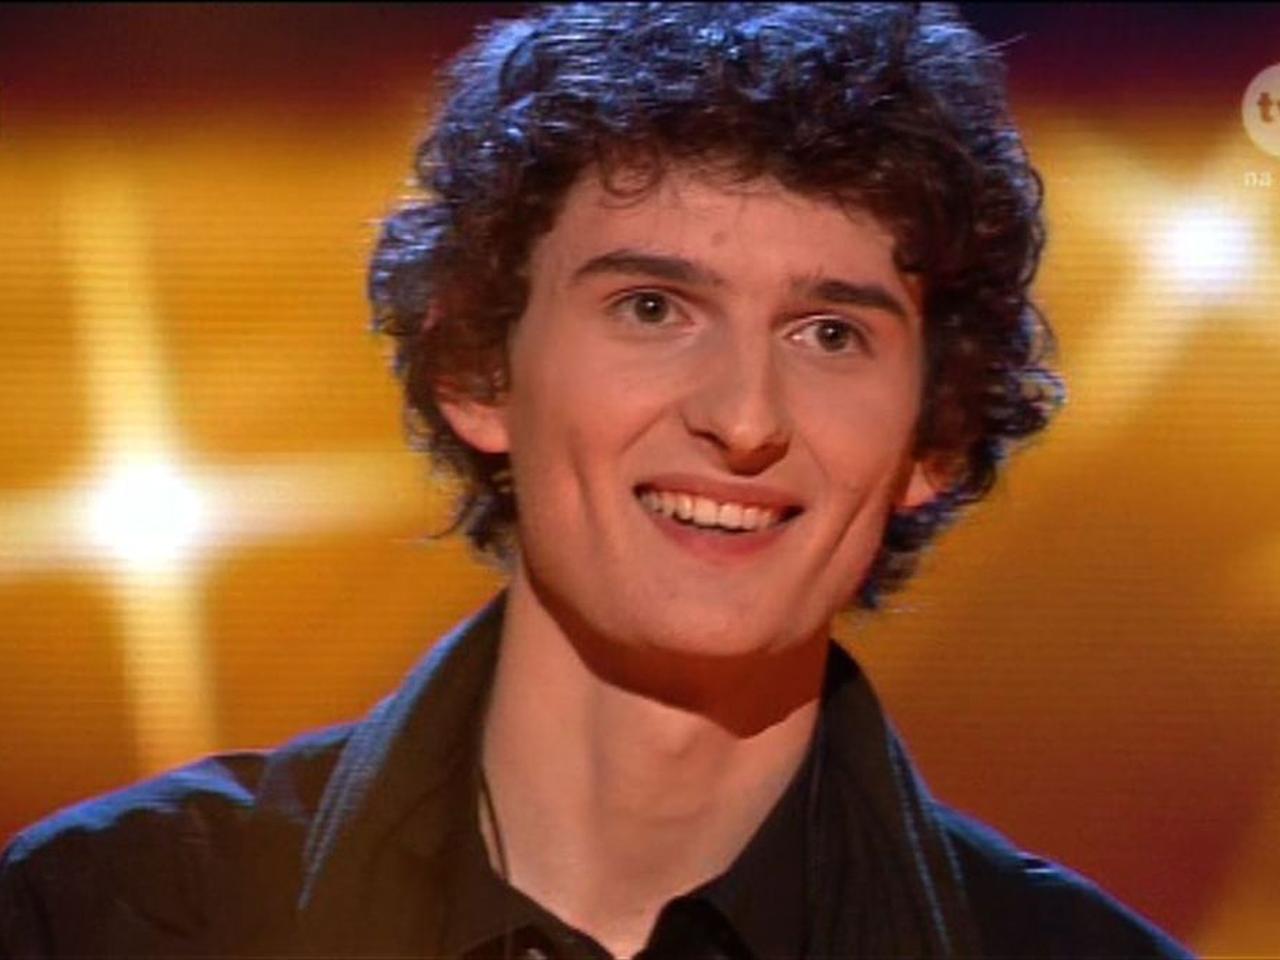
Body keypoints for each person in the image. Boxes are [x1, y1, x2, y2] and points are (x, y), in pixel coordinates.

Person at [0, 4, 1193, 957]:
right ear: (477, 370)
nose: (742, 419)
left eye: (829, 333)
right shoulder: (103, 919)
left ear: (931, 441)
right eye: (652, 308)